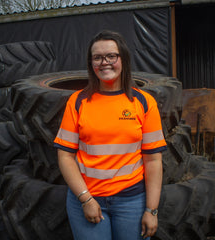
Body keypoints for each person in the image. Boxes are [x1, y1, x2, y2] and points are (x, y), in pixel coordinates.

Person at [54, 30, 167, 240]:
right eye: (97, 57)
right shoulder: (77, 101)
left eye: (111, 56)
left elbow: (153, 160)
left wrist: (152, 210)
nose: (104, 62)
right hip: (86, 199)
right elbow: (65, 156)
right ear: (91, 63)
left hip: (132, 200)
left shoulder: (143, 102)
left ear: (123, 59)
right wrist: (86, 199)